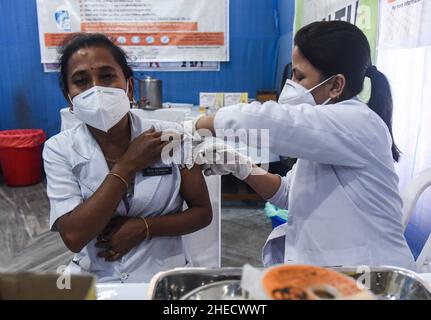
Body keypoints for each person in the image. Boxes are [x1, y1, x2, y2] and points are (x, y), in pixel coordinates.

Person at [192, 21, 416, 270]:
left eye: (299, 76)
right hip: (332, 275)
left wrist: (200, 124)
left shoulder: (357, 123)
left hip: (372, 279)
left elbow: (267, 121)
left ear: (335, 85)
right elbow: (290, 194)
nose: (291, 83)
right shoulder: (327, 130)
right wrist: (240, 165)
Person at [43, 33, 212, 283]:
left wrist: (144, 227)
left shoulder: (172, 137)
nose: (96, 89)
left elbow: (202, 212)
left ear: (129, 87)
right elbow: (74, 236)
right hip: (95, 275)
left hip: (163, 272)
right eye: (81, 81)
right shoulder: (58, 149)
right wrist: (127, 165)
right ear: (70, 98)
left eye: (107, 76)